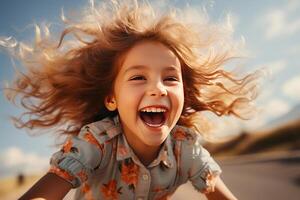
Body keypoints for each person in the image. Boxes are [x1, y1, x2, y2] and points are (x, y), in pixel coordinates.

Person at [2, 0, 260, 199]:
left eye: (170, 79)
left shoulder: (185, 150)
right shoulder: (97, 143)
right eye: (138, 78)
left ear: (185, 94)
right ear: (112, 99)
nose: (158, 89)